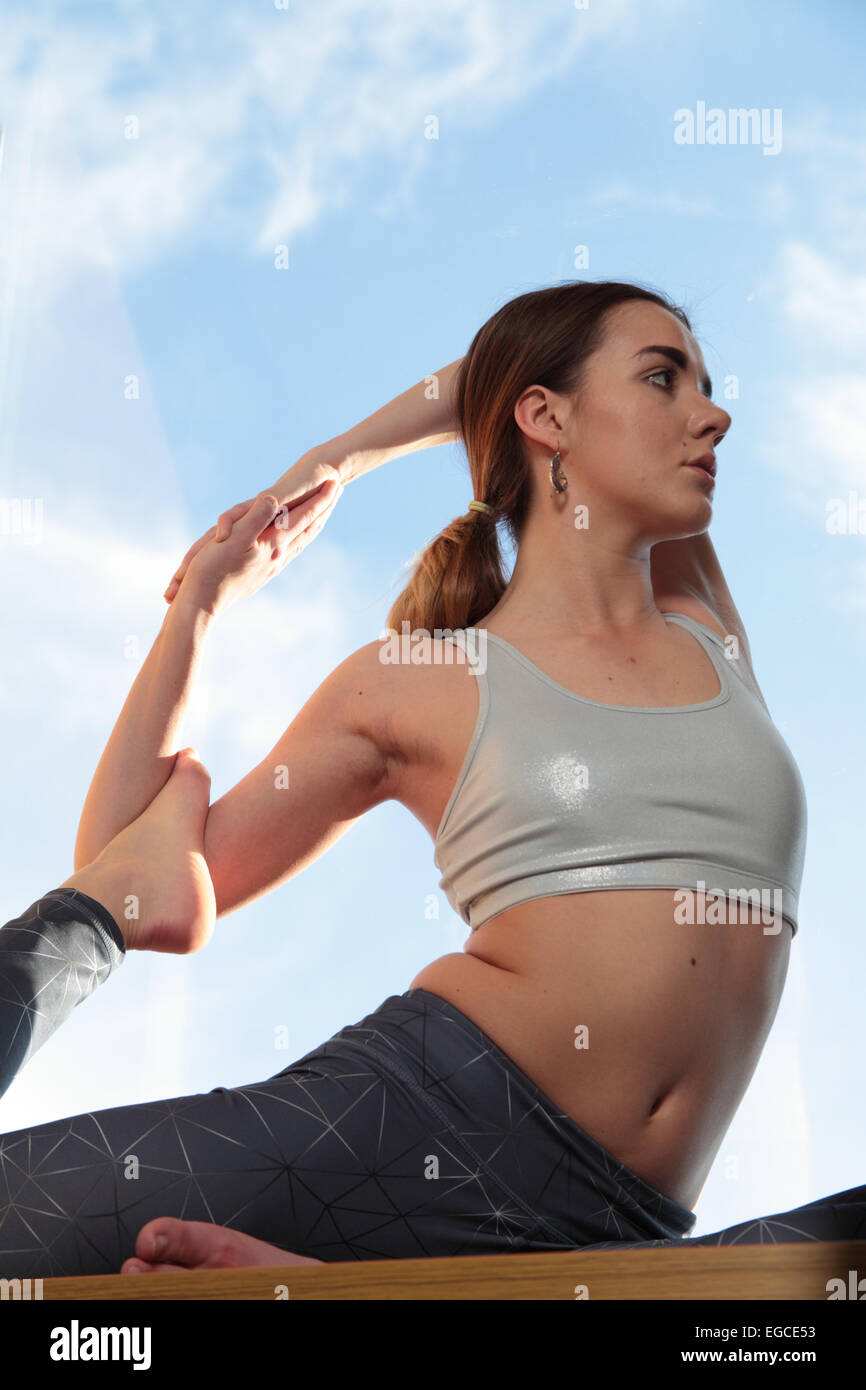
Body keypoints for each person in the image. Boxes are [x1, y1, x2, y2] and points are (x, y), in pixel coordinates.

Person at [1, 280, 863, 1281]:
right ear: (545, 419)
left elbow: (492, 378)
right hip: (402, 1128)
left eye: (704, 385)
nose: (711, 413)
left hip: (626, 1234)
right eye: (662, 378)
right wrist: (205, 595)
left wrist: (351, 451)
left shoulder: (704, 627)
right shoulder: (416, 684)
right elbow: (139, 877)